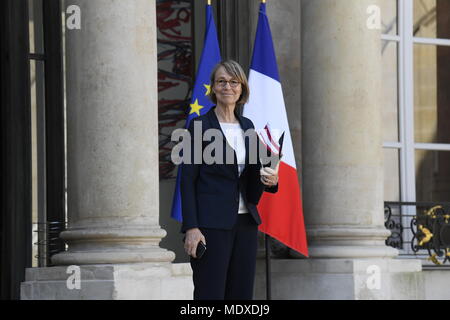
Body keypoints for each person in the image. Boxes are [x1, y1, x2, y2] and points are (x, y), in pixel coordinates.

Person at [180, 60, 279, 300]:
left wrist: (271, 179)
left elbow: (255, 173)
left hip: (245, 223)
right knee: (210, 294)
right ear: (213, 88)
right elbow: (187, 180)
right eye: (221, 81)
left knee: (241, 294)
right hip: (210, 225)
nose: (228, 87)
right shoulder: (199, 126)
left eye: (234, 82)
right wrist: (192, 228)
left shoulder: (248, 126)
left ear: (242, 88)